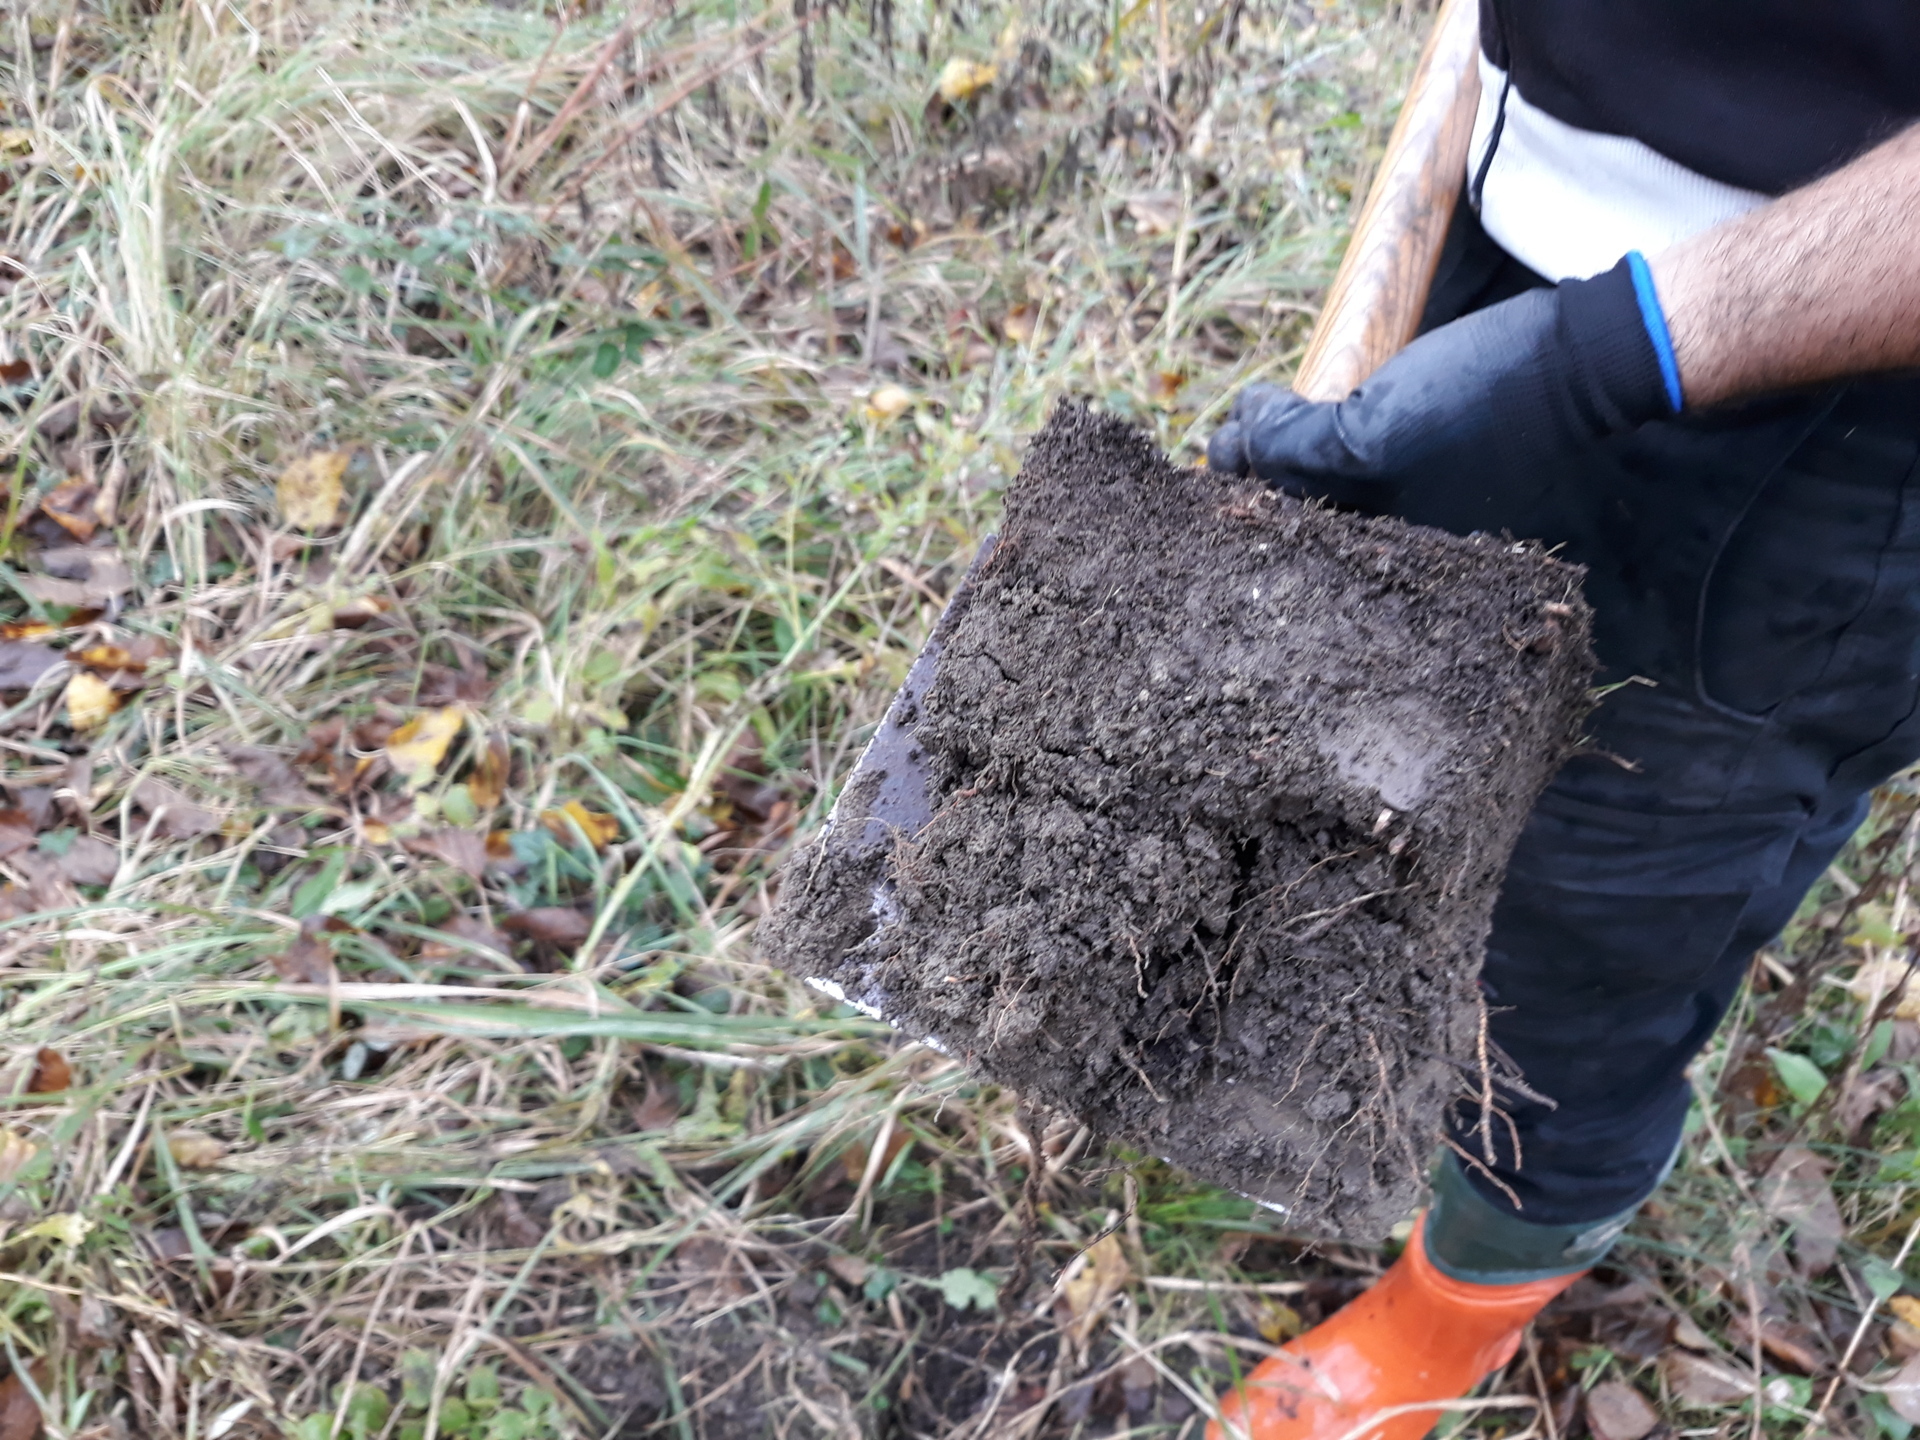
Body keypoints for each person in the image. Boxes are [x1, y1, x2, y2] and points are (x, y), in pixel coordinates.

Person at [1203, 3, 1920, 1437]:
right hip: (1513, 202)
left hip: (1841, 401)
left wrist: (1626, 345)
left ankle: (1450, 1311)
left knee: (1590, 949)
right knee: (1396, 753)